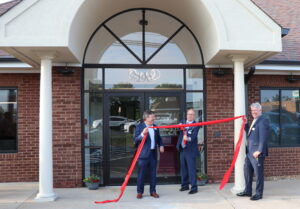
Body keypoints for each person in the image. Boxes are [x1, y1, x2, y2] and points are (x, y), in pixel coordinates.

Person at [237, 102, 269, 200]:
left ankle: (259, 194)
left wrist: (259, 151)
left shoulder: (263, 120)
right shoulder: (255, 120)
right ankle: (248, 191)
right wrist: (246, 124)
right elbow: (251, 134)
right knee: (247, 171)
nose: (253, 112)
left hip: (256, 153)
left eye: (255, 110)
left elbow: (263, 137)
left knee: (258, 174)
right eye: (252, 110)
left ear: (260, 110)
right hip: (250, 152)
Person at [134, 110, 164, 199]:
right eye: (152, 117)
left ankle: (153, 191)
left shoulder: (155, 127)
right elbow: (135, 140)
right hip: (143, 155)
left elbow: (159, 138)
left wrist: (161, 145)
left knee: (153, 174)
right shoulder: (139, 127)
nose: (154, 118)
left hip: (153, 154)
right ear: (146, 118)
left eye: (154, 117)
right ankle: (140, 192)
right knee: (141, 174)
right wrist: (143, 133)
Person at [176, 108, 200, 194]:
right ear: (186, 115)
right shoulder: (182, 122)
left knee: (191, 169)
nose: (190, 116)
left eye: (192, 114)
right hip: (183, 149)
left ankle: (194, 188)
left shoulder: (196, 124)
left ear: (194, 116)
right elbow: (177, 130)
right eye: (189, 114)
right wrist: (178, 126)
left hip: (190, 150)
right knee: (184, 169)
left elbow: (194, 136)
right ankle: (184, 185)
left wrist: (188, 138)